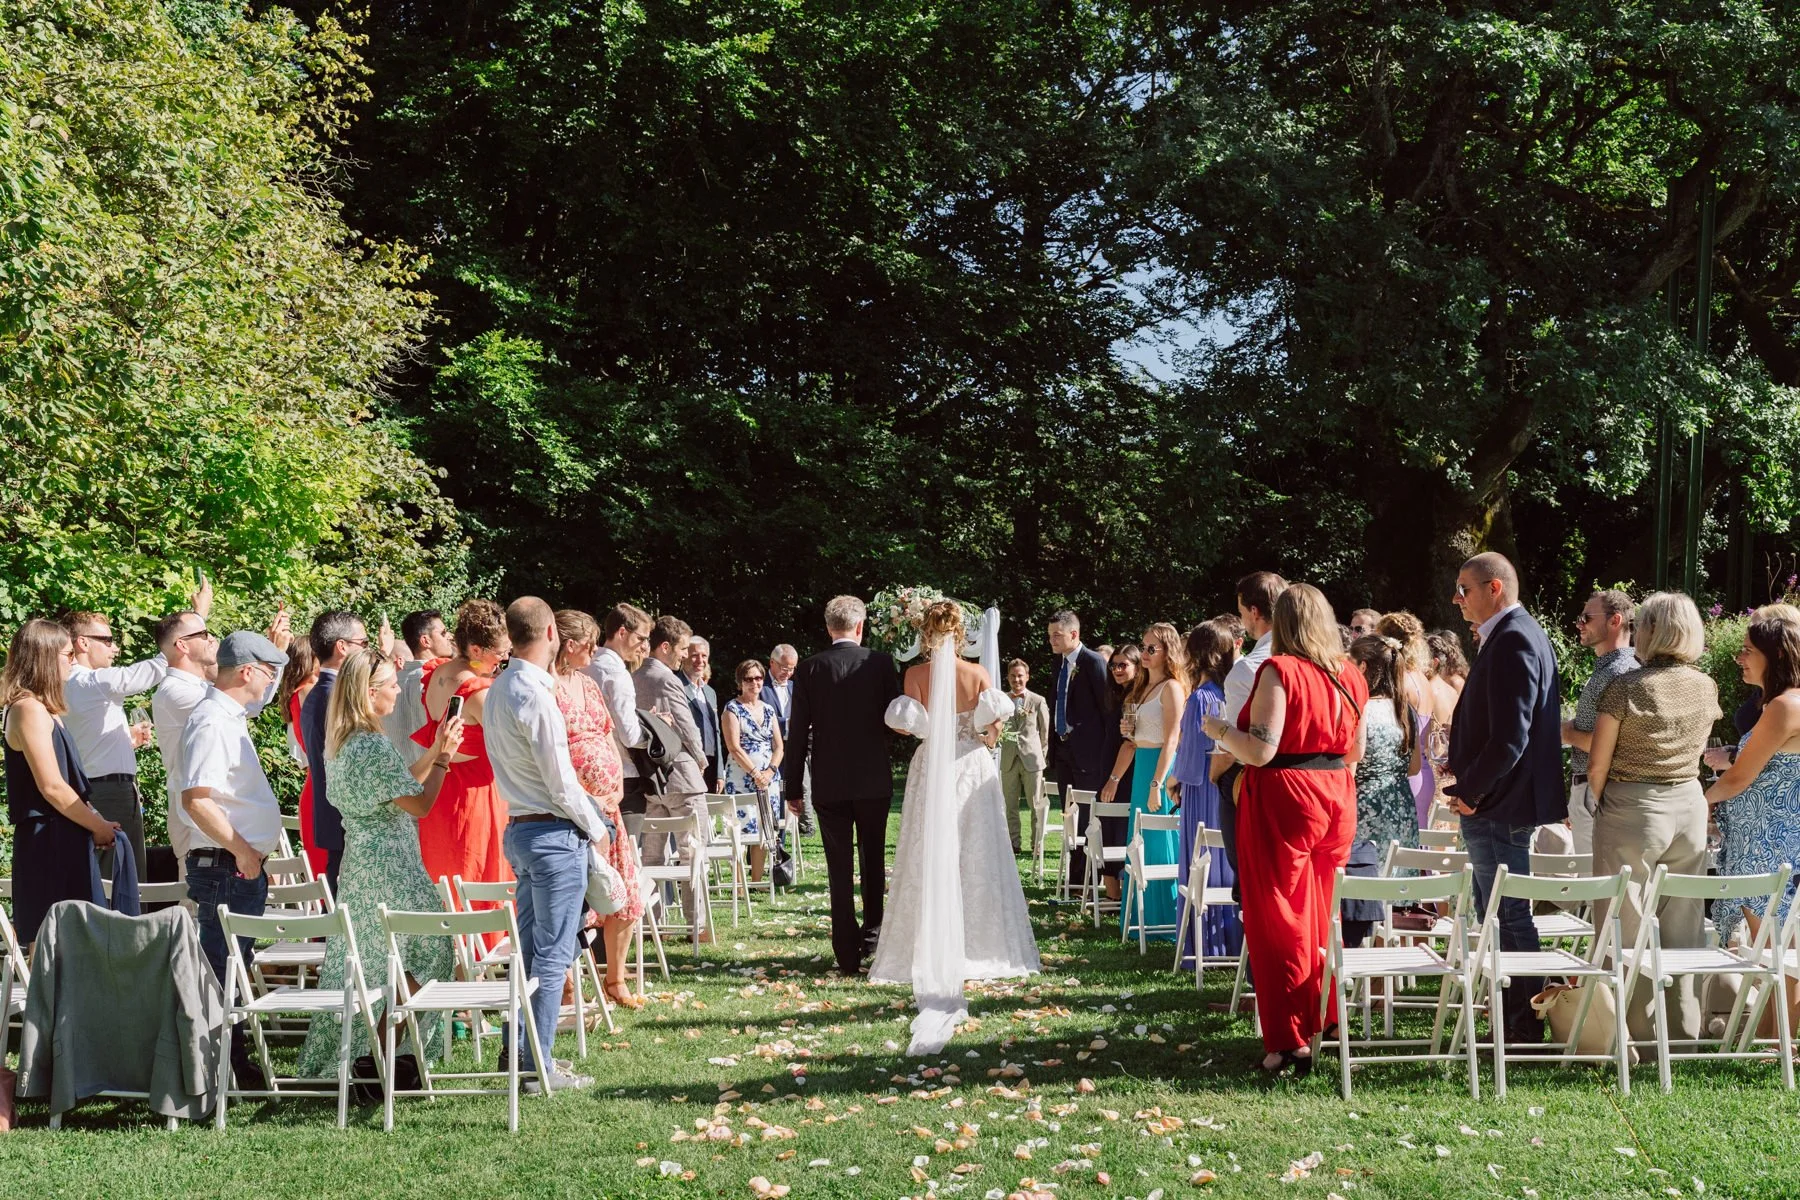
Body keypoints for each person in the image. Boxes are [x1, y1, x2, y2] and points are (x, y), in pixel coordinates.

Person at [1201, 583, 1367, 1076]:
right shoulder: (1350, 673)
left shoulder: (1280, 670)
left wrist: (1217, 730)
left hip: (1284, 796)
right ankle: (1328, 1018)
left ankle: (1289, 1040)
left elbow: (1259, 750)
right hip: (1336, 794)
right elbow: (1355, 752)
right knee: (1321, 913)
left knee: (1278, 917)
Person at [870, 601, 1038, 1054]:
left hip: (932, 767)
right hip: (970, 764)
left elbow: (909, 728)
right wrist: (984, 733)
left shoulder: (914, 676)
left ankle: (926, 939)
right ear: (962, 635)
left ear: (926, 635)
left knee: (929, 851)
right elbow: (994, 724)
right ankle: (980, 943)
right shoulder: (978, 675)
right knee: (976, 851)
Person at [297, 649, 463, 1078]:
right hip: (393, 867)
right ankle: (379, 1053)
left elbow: (398, 786)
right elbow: (420, 804)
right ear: (370, 693)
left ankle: (375, 1054)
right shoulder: (371, 745)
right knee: (431, 954)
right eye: (392, 685)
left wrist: (433, 750)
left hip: (361, 867)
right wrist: (444, 759)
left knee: (374, 963)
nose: (397, 691)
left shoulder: (344, 742)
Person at [486, 597, 615, 1092]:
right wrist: (597, 826)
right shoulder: (534, 693)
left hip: (521, 828)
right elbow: (560, 782)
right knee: (553, 953)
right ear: (550, 634)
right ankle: (538, 1066)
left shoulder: (499, 687)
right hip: (552, 833)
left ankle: (519, 1052)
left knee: (527, 952)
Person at [1582, 591, 1718, 1040]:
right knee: (1684, 920)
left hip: (1632, 806)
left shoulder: (1627, 688)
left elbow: (1597, 763)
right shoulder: (1706, 686)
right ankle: (1681, 1033)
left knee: (1624, 920)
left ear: (1652, 630)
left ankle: (1628, 1035)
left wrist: (1600, 802)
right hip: (1689, 805)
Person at [1445, 551, 1565, 1045]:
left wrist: (1472, 791)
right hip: (1500, 799)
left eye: (1464, 589)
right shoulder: (1515, 634)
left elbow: (1512, 737)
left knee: (1507, 911)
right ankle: (1514, 1013)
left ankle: (1524, 1021)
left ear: (1494, 588)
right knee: (1497, 909)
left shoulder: (1515, 637)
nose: (1457, 599)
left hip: (1500, 803)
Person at [784, 595, 900, 975]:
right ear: (860, 626)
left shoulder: (809, 668)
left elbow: (797, 733)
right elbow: (895, 721)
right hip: (872, 778)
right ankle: (874, 937)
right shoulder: (880, 663)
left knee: (838, 867)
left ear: (828, 627)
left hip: (829, 780)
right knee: (873, 859)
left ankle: (846, 953)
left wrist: (793, 788)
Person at [61, 589, 213, 878]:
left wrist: (125, 739)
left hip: (102, 788)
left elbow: (87, 743)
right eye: (107, 640)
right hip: (108, 792)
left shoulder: (75, 684)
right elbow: (144, 673)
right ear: (82, 642)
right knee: (121, 879)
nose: (115, 648)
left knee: (120, 876)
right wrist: (195, 624)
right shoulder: (87, 681)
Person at [2, 620, 117, 947]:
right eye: (68, 654)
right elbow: (51, 786)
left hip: (63, 835)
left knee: (80, 941)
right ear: (45, 657)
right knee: (55, 944)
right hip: (47, 841)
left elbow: (66, 781)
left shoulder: (43, 709)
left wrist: (96, 820)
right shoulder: (28, 709)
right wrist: (97, 826)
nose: (73, 660)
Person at [550, 609, 643, 1010]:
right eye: (588, 643)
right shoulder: (546, 687)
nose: (594, 649)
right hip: (573, 811)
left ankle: (615, 979)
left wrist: (616, 786)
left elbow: (606, 736)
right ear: (568, 645)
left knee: (624, 892)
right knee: (574, 900)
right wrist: (589, 799)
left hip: (610, 806)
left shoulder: (588, 684)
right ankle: (567, 985)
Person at [1706, 614, 1800, 943]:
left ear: (1776, 654)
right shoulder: (1783, 703)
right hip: (1768, 842)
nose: (1739, 658)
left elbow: (1739, 777)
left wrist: (1700, 802)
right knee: (1777, 951)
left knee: (1773, 951)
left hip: (1768, 846)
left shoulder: (1785, 706)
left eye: (1748, 650)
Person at [409, 600, 511, 899]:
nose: (504, 658)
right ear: (476, 650)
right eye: (500, 653)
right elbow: (511, 745)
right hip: (475, 796)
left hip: (440, 788)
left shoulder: (437, 673)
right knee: (477, 876)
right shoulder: (478, 692)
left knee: (446, 876)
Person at [635, 614, 713, 941]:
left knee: (651, 855)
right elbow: (685, 725)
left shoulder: (634, 675)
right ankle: (697, 924)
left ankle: (651, 924)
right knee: (693, 850)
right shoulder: (666, 678)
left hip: (649, 778)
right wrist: (700, 760)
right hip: (681, 775)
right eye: (681, 649)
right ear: (665, 647)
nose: (684, 656)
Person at [1344, 635, 1422, 948]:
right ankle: (1395, 958)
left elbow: (1351, 765)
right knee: (1394, 892)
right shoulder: (1405, 710)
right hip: (1400, 808)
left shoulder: (1360, 709)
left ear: (1362, 667)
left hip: (1365, 807)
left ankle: (1370, 959)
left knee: (1367, 889)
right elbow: (1414, 767)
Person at [1171, 619, 1239, 963]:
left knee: (1201, 859)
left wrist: (1173, 780)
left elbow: (1193, 751)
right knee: (1224, 858)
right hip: (1223, 785)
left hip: (1200, 789)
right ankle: (1230, 939)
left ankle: (1203, 945)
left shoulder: (1200, 697)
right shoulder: (1231, 692)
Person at [1116, 624, 1189, 943]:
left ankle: (1167, 919)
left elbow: (1173, 739)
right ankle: (1141, 918)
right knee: (1140, 838)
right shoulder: (1144, 686)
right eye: (1143, 646)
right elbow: (1142, 735)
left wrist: (1158, 782)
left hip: (1160, 767)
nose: (1144, 653)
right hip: (1142, 764)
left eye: (1151, 648)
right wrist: (1129, 731)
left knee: (1160, 839)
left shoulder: (1172, 687)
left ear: (1167, 651)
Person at [1216, 572, 1286, 875]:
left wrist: (1217, 731)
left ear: (1254, 612)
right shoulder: (1315, 663)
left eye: (1242, 611)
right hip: (1313, 784)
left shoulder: (1247, 669)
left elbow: (1240, 749)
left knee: (1249, 878)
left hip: (1256, 784)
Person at [301, 610, 375, 892]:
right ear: (342, 647)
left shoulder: (320, 692)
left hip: (337, 821)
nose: (367, 651)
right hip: (348, 823)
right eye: (364, 643)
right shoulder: (334, 697)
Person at [1559, 589, 1637, 855]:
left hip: (1598, 792)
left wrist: (1566, 734)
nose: (1579, 624)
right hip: (1593, 792)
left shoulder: (1617, 673)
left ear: (1615, 620)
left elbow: (1615, 744)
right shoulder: (1614, 669)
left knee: (1597, 879)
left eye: (1586, 618)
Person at [587, 602, 651, 837]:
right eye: (641, 638)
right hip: (623, 776)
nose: (644, 646)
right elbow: (630, 736)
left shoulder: (586, 666)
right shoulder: (617, 673)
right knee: (627, 851)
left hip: (589, 772)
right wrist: (655, 729)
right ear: (622, 632)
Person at [721, 659, 784, 881]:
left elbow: (779, 746)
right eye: (749, 679)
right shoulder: (732, 709)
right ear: (740, 682)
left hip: (768, 779)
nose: (754, 683)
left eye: (758, 678)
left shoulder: (768, 709)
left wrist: (769, 772)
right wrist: (756, 773)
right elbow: (733, 747)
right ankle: (739, 885)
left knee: (763, 828)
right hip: (741, 778)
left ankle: (756, 881)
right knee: (740, 831)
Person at [1377, 611, 1437, 828]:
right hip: (1425, 773)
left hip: (1403, 774)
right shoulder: (1423, 679)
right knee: (1419, 841)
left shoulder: (1398, 681)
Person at [1094, 644, 1143, 901]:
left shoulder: (1135, 699)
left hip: (1123, 776)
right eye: (1113, 665)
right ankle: (1113, 895)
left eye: (1123, 665)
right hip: (1109, 770)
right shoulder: (1118, 695)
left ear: (1137, 666)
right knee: (1108, 828)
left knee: (1119, 829)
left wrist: (1114, 780)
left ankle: (1121, 897)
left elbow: (1130, 743)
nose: (1117, 670)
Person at [1046, 612, 1113, 800]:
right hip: (1061, 747)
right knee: (1067, 808)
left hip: (1087, 751)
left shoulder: (1093, 661)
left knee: (1086, 810)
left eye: (1057, 635)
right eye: (1050, 635)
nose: (1051, 640)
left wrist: (1105, 753)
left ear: (1074, 634)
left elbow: (1107, 709)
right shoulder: (1058, 663)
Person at [386, 609, 454, 768]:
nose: (449, 636)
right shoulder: (443, 681)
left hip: (398, 776)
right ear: (425, 641)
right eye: (443, 633)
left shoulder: (388, 682)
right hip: (436, 775)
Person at [998, 658, 1050, 857]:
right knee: (1010, 804)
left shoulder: (1037, 700)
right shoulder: (1001, 699)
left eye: (1020, 675)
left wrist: (1041, 756)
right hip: (1008, 759)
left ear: (1027, 677)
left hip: (1032, 760)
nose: (1016, 680)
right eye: (1012, 676)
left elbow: (1045, 732)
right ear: (1008, 677)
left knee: (1035, 804)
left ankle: (1036, 844)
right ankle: (1013, 843)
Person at [763, 642, 812, 836]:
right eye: (784, 668)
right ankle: (769, 838)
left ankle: (784, 839)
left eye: (792, 669)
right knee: (771, 795)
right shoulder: (759, 686)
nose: (788, 673)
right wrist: (787, 723)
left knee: (790, 793)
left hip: (793, 751)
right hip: (768, 752)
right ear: (772, 663)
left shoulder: (795, 687)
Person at [681, 635, 724, 792]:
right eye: (694, 655)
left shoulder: (710, 692)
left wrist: (719, 773)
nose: (700, 660)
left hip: (710, 763)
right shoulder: (675, 685)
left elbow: (716, 732)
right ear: (684, 656)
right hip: (688, 761)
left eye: (704, 656)